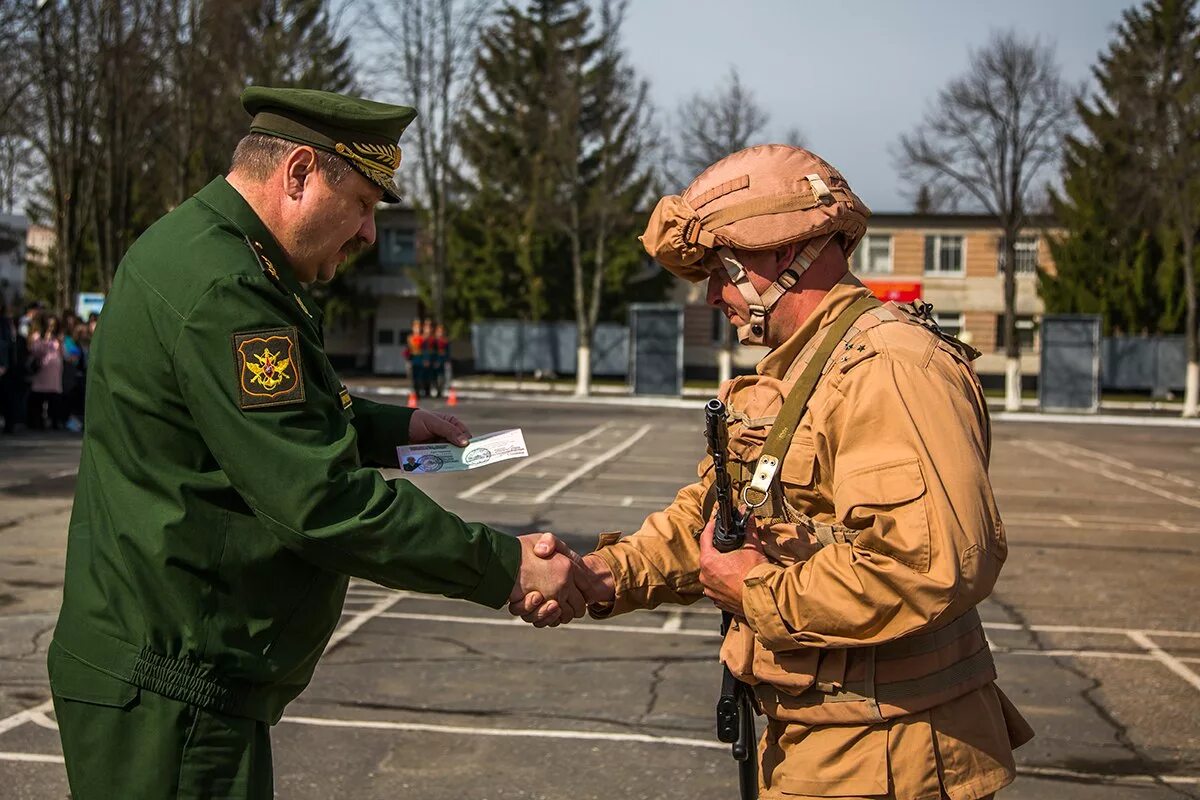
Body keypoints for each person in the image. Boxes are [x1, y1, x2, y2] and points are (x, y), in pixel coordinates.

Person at [48, 86, 584, 800]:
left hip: (179, 679)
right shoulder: (228, 288)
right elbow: (318, 501)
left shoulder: (225, 256)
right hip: (172, 695)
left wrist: (393, 430)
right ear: (297, 172)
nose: (368, 234)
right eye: (363, 203)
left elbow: (266, 412)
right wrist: (504, 566)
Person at [516, 145, 1033, 799]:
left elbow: (930, 561)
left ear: (781, 255)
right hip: (817, 738)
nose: (712, 294)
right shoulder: (790, 377)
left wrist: (757, 593)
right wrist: (600, 575)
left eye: (720, 270)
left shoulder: (890, 368)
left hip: (891, 754)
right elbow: (713, 525)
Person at [28, 315, 65, 430]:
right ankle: (37, 422)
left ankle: (55, 421)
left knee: (54, 398)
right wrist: (45, 341)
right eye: (49, 325)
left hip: (54, 373)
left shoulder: (57, 338)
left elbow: (62, 352)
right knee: (38, 397)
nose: (51, 327)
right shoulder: (37, 337)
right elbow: (35, 351)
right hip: (41, 373)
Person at [432, 321, 450, 397]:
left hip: (442, 361)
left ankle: (440, 391)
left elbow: (448, 352)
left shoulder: (445, 341)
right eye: (438, 331)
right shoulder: (434, 341)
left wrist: (446, 360)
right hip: (435, 361)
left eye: (441, 331)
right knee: (434, 377)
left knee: (442, 377)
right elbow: (432, 352)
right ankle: (436, 389)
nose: (440, 333)